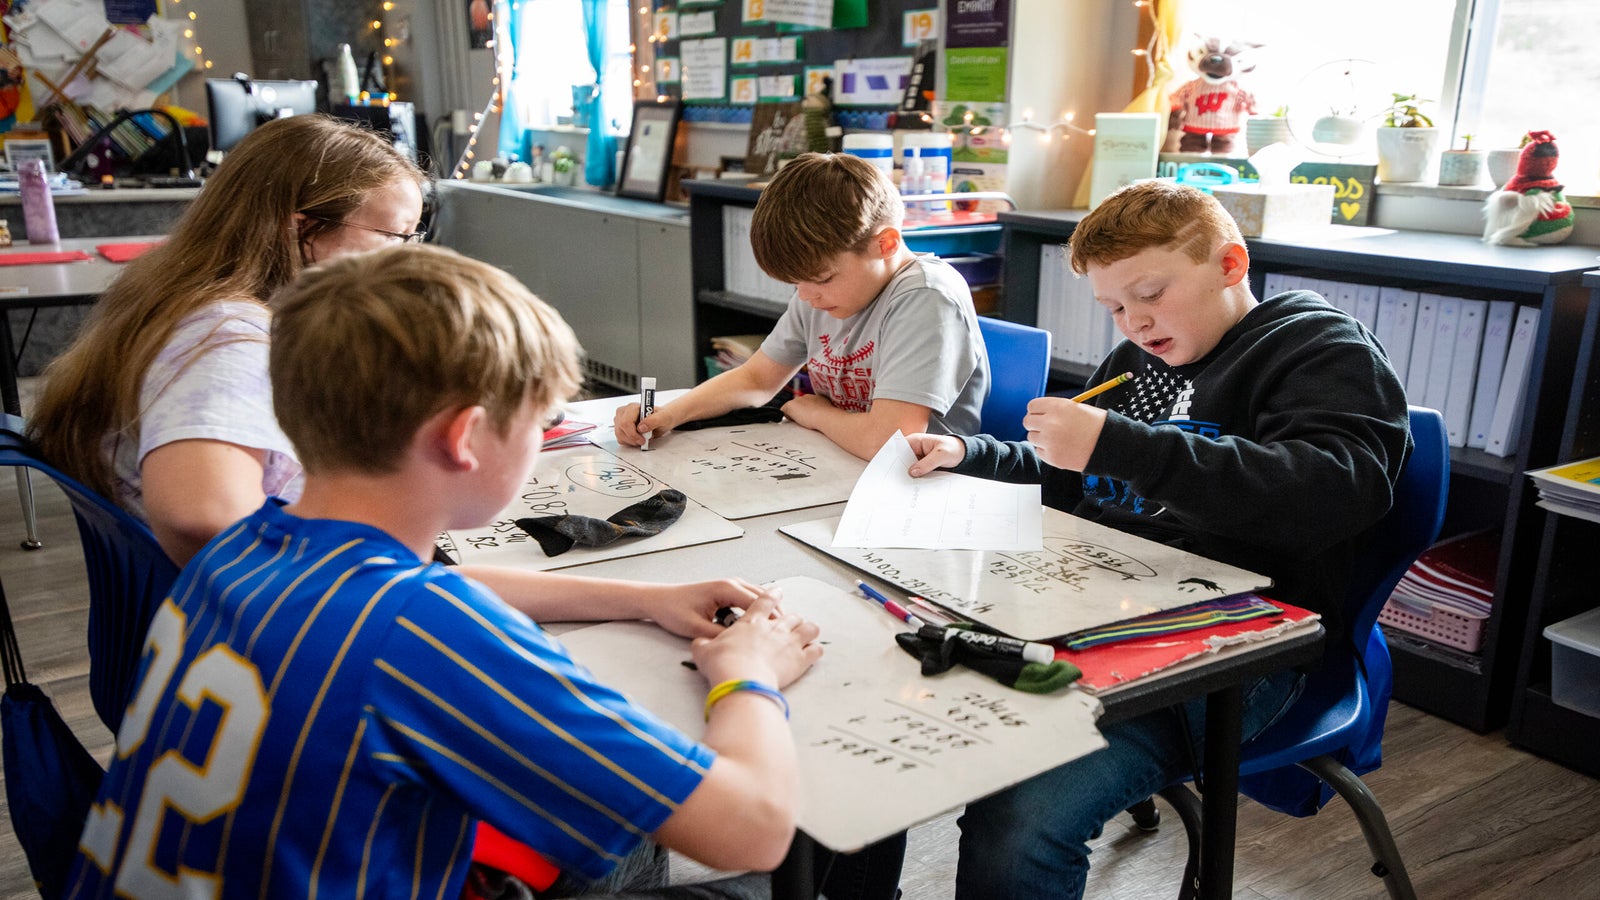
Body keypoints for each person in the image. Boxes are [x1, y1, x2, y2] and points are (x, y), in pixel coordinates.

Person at [64, 245, 824, 898]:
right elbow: (751, 828)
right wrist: (746, 675)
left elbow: (406, 601)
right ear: (464, 437)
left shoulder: (239, 551)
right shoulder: (421, 632)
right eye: (541, 421)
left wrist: (641, 598)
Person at [27, 113, 763, 641]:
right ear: (299, 228)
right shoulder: (232, 336)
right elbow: (202, 511)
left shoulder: (203, 307)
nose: (407, 256)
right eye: (393, 236)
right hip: (289, 653)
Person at [903, 180, 1411, 897]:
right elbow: (1076, 472)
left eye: (1150, 293)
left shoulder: (1318, 348)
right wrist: (972, 455)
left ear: (1231, 264)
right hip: (1099, 611)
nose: (1134, 322)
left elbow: (1334, 491)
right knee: (901, 698)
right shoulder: (1138, 364)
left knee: (1022, 810)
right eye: (1113, 307)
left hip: (1234, 652)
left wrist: (1120, 447)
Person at [612, 152, 989, 461]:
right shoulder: (823, 293)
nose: (807, 297)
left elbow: (886, 442)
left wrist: (817, 413)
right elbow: (757, 379)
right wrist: (670, 414)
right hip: (840, 463)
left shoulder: (926, 298)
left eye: (822, 280)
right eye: (796, 284)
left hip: (923, 488)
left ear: (886, 244)